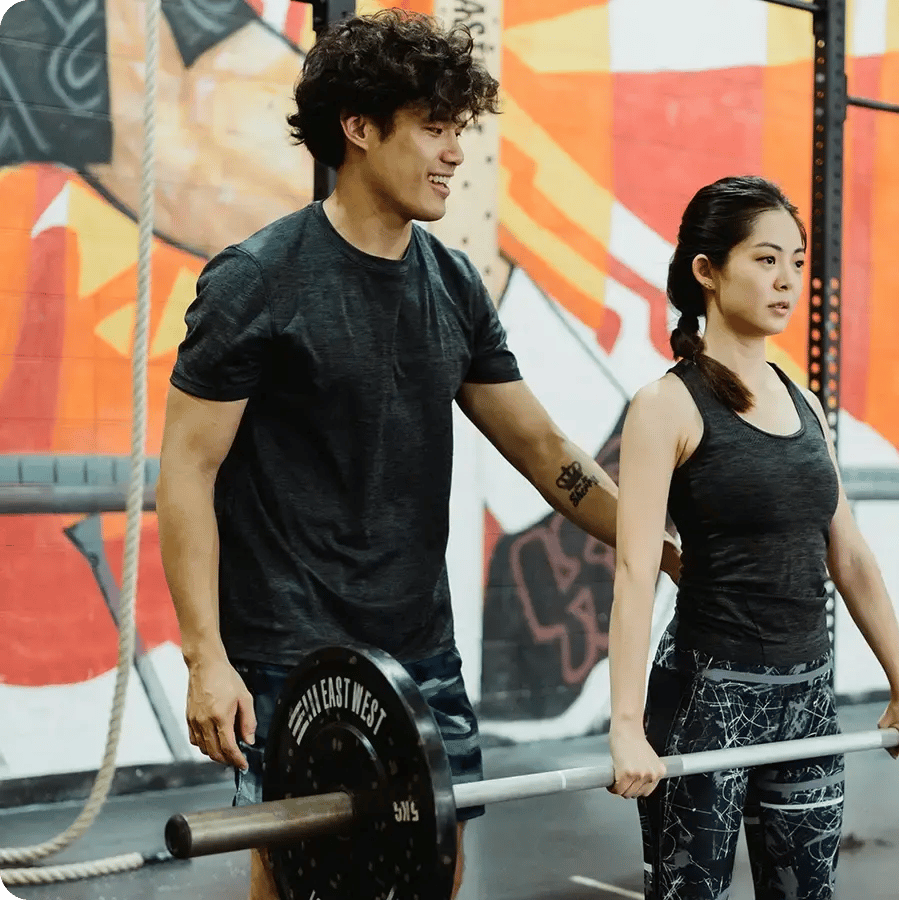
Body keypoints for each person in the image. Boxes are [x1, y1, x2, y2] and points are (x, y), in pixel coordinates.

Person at [155, 11, 681, 900]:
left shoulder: (452, 282)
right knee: (300, 877)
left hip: (417, 646)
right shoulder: (258, 280)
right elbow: (188, 471)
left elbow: (541, 446)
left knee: (431, 865)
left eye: (458, 130)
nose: (454, 154)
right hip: (292, 650)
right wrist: (207, 656)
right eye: (434, 128)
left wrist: (657, 542)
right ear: (359, 129)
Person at [606, 175, 899, 900]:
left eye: (796, 259)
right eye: (765, 260)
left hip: (807, 695)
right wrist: (626, 727)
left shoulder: (805, 403)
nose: (788, 279)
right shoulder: (667, 406)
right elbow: (635, 572)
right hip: (708, 698)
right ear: (707, 271)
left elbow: (849, 556)